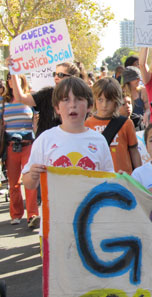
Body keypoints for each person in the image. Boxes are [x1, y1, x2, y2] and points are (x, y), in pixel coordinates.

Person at [22, 76, 114, 191]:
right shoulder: (45, 139)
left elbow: (110, 179)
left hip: (91, 207)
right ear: (57, 108)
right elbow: (28, 184)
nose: (72, 105)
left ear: (89, 106)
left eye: (79, 99)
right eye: (66, 99)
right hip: (56, 208)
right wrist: (33, 175)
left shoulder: (98, 140)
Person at [2, 74, 38, 227]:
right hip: (11, 146)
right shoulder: (3, 101)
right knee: (13, 183)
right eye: (9, 77)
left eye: (15, 77)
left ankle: (32, 215)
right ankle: (16, 214)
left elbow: (37, 120)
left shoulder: (30, 98)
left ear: (21, 79)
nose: (11, 80)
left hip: (28, 144)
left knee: (29, 181)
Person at [85, 78, 142, 174]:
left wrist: (140, 175)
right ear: (94, 100)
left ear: (116, 101)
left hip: (123, 177)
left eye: (109, 100)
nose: (104, 105)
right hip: (99, 178)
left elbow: (134, 151)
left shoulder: (126, 123)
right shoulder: (87, 124)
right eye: (100, 100)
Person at [11, 61, 80, 138]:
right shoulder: (46, 93)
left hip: (68, 142)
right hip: (46, 144)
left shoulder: (80, 98)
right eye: (55, 74)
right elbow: (20, 98)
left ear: (72, 77)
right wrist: (13, 72)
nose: (56, 78)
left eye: (60, 75)